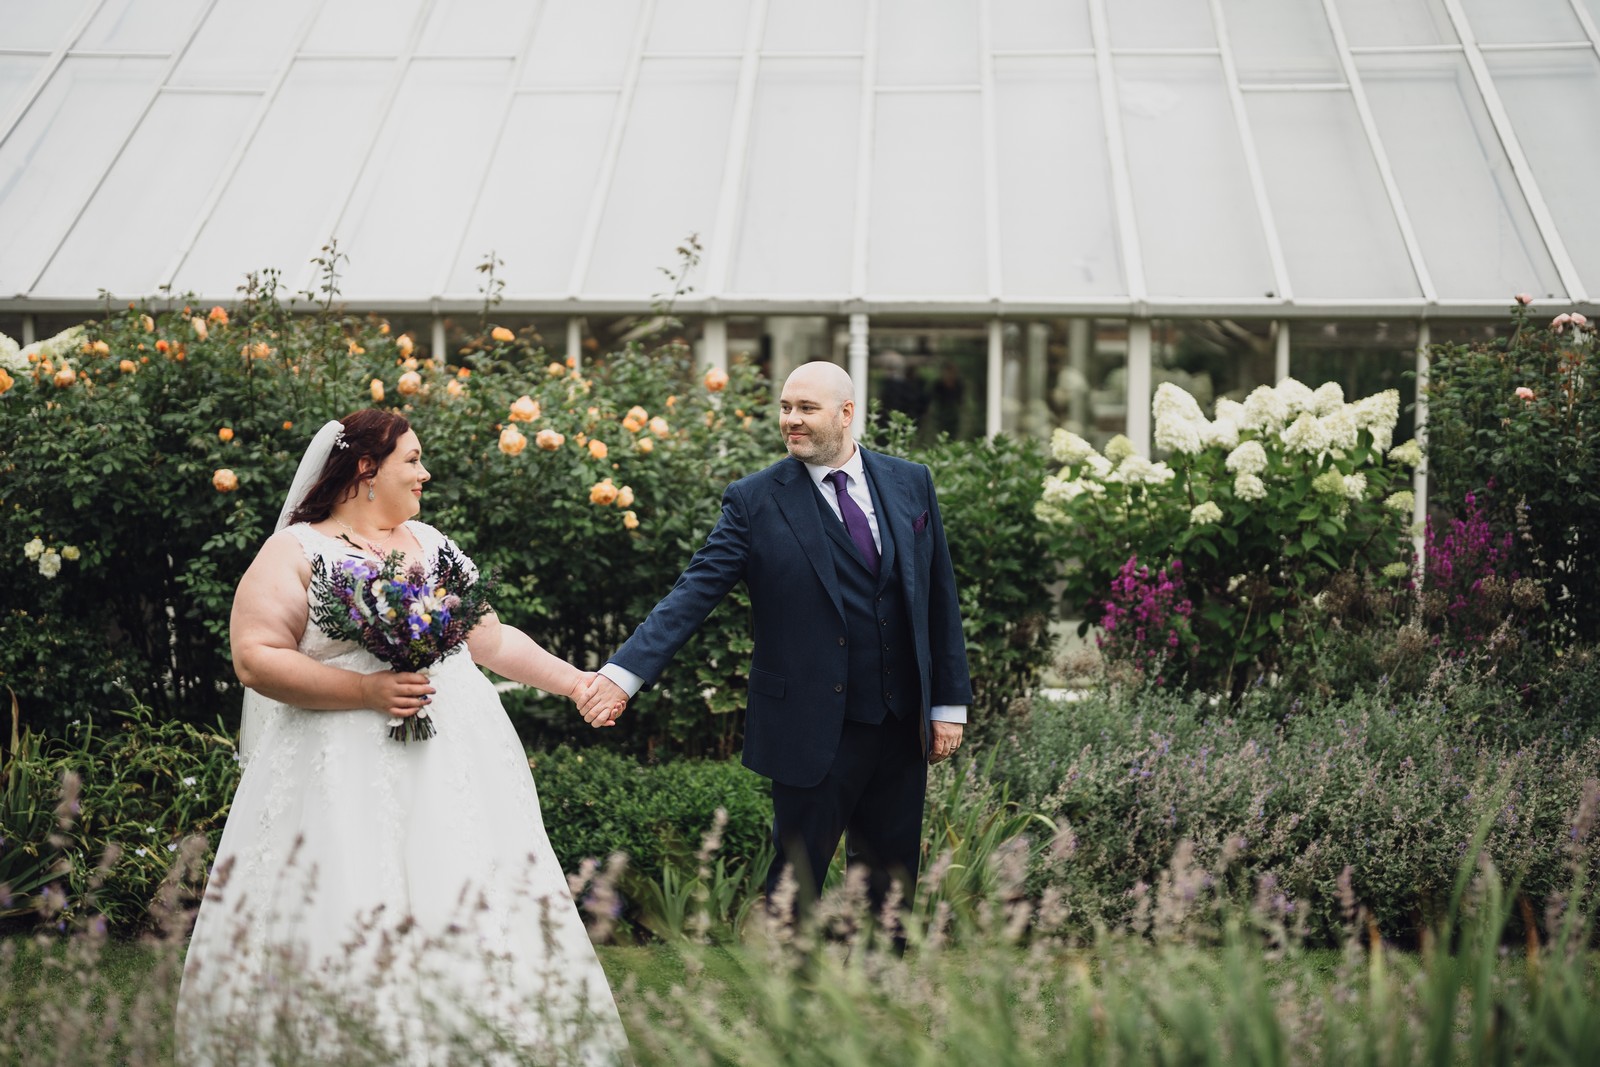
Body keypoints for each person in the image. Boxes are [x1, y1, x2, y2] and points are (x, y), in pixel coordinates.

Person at [177, 411, 628, 1065]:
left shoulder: (431, 544)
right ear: (367, 468)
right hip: (335, 776)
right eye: (412, 460)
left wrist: (575, 682)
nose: (425, 472)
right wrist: (365, 690)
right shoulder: (297, 551)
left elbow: (492, 639)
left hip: (456, 767)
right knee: (351, 892)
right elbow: (256, 657)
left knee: (467, 885)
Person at [578, 361, 972, 923]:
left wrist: (948, 704)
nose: (791, 420)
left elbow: (938, 595)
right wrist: (623, 674)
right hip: (811, 728)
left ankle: (883, 1000)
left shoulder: (911, 482)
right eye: (785, 408)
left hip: (899, 723)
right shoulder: (754, 500)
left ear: (845, 413)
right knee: (795, 887)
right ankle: (794, 1001)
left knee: (891, 886)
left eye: (806, 409)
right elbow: (693, 594)